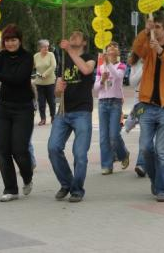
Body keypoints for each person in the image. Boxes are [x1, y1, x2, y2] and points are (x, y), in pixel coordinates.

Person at [132, 13, 164, 202]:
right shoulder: (149, 45)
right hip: (147, 106)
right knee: (145, 148)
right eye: (155, 27)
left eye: (159, 27)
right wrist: (145, 31)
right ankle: (155, 179)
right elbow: (136, 49)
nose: (156, 30)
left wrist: (161, 52)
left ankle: (162, 188)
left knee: (162, 152)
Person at [0, 24, 35, 202]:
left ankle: (27, 177)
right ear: (4, 42)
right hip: (3, 107)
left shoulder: (27, 58)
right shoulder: (2, 56)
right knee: (2, 149)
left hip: (23, 108)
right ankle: (11, 189)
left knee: (20, 150)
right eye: (7, 40)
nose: (11, 43)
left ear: (20, 40)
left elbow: (18, 79)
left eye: (14, 40)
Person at [47, 31, 96, 202]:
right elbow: (56, 92)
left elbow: (85, 69)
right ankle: (67, 182)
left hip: (82, 111)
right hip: (64, 111)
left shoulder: (90, 57)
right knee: (53, 148)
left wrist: (69, 50)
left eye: (77, 36)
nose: (72, 37)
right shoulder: (64, 59)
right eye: (71, 35)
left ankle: (77, 190)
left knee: (80, 153)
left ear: (84, 42)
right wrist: (58, 88)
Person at [94, 41, 130, 174]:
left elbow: (118, 76)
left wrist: (108, 64)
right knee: (104, 136)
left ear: (118, 52)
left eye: (115, 47)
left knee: (114, 135)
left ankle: (123, 154)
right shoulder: (100, 67)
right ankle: (107, 165)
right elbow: (96, 88)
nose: (112, 49)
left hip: (115, 102)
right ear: (106, 51)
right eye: (109, 47)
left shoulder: (121, 66)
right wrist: (102, 80)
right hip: (103, 102)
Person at [125, 51, 146, 177]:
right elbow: (132, 82)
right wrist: (144, 67)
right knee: (145, 134)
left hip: (154, 100)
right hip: (140, 100)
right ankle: (142, 164)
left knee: (147, 134)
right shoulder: (136, 63)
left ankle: (144, 163)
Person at [33, 39, 57, 125]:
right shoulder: (36, 56)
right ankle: (43, 119)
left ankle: (53, 117)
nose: (46, 48)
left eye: (47, 46)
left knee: (51, 101)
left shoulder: (51, 55)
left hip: (50, 82)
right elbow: (32, 66)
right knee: (41, 102)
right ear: (40, 47)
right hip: (39, 83)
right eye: (44, 46)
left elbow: (53, 66)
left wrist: (45, 74)